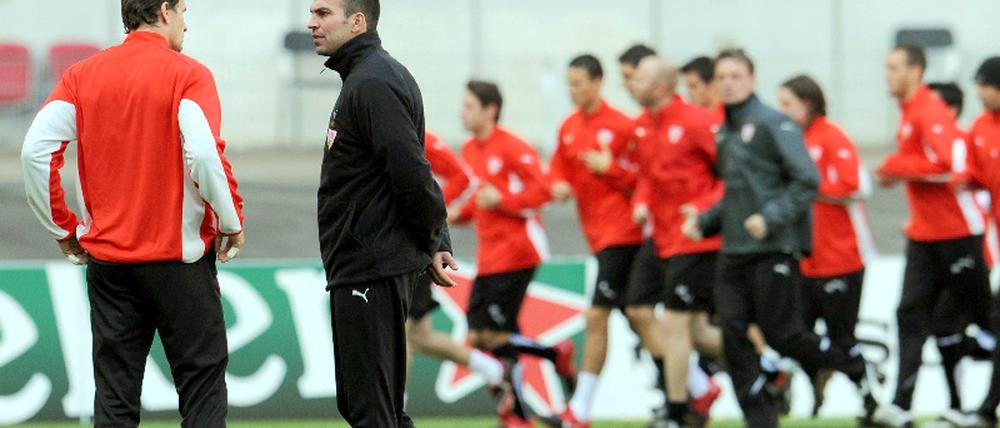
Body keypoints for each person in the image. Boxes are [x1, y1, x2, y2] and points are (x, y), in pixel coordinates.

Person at [21, 0, 244, 426]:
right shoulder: (188, 73)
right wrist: (230, 221)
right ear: (165, 11)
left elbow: (35, 151)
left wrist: (62, 226)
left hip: (109, 264)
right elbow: (202, 151)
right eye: (183, 11)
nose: (185, 24)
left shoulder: (81, 75)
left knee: (115, 395)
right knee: (201, 388)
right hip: (179, 261)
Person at [682, 49, 879, 427]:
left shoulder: (775, 123)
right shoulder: (724, 130)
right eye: (721, 76)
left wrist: (771, 218)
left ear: (751, 80)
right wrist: (706, 221)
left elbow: (807, 179)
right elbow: (737, 193)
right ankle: (761, 418)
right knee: (733, 336)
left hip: (772, 248)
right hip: (734, 251)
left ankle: (853, 365)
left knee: (784, 336)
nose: (728, 83)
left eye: (735, 75)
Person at [310, 0, 458, 426]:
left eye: (323, 13)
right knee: (378, 410)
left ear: (357, 22)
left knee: (371, 410)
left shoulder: (372, 81)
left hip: (370, 266)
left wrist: (434, 238)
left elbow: (411, 172)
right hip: (365, 265)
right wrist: (434, 238)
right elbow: (411, 168)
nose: (311, 22)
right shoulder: (367, 76)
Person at [871, 45, 995, 428]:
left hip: (958, 235)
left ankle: (978, 407)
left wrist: (896, 166)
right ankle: (902, 405)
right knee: (911, 314)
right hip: (924, 235)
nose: (887, 74)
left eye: (894, 68)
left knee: (983, 320)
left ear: (915, 71)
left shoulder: (929, 109)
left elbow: (949, 163)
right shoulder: (910, 114)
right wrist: (902, 170)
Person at [451, 80, 574, 428]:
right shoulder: (471, 149)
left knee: (488, 336)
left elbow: (544, 193)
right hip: (490, 255)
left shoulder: (513, 147)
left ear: (490, 110)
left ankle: (521, 410)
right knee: (481, 337)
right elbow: (479, 202)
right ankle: (526, 402)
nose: (462, 113)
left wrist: (503, 201)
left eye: (469, 106)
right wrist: (455, 216)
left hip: (518, 252)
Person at [628, 56, 725, 428]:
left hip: (694, 238)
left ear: (660, 87)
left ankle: (676, 411)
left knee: (677, 325)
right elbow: (647, 178)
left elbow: (729, 176)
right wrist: (640, 203)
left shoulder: (698, 121)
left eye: (637, 78)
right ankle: (758, 366)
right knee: (638, 310)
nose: (631, 85)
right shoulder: (643, 127)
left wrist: (702, 210)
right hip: (661, 237)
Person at [548, 54, 645, 428]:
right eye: (569, 84)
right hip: (598, 236)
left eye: (578, 83)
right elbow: (558, 172)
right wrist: (556, 186)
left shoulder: (624, 126)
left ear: (597, 82)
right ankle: (695, 388)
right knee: (638, 318)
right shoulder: (569, 128)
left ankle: (580, 411)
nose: (572, 91)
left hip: (624, 234)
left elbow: (646, 181)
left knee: (596, 316)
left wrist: (613, 169)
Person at [777, 74, 877, 417]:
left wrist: (810, 186)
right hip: (803, 258)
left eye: (788, 104)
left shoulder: (832, 136)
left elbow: (856, 184)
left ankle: (869, 396)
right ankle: (812, 384)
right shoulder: (787, 140)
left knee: (841, 337)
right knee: (797, 336)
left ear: (808, 103)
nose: (783, 111)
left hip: (841, 258)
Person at [405, 131, 511, 398]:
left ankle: (393, 414)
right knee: (418, 336)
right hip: (405, 244)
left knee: (399, 334)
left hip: (414, 246)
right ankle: (493, 369)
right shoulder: (386, 129)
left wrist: (432, 207)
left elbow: (463, 177)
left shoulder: (418, 134)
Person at [926, 81, 997, 426]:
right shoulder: (977, 135)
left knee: (978, 324)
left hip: (978, 254)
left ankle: (979, 408)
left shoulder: (957, 142)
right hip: (949, 252)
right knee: (946, 325)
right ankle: (960, 405)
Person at [958, 56, 1000, 428]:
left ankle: (987, 409)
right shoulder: (981, 127)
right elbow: (977, 175)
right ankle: (987, 409)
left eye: (984, 85)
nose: (980, 93)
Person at [681, 56, 725, 123]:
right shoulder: (690, 118)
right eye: (688, 87)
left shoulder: (730, 116)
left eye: (693, 86)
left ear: (711, 84)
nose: (689, 93)